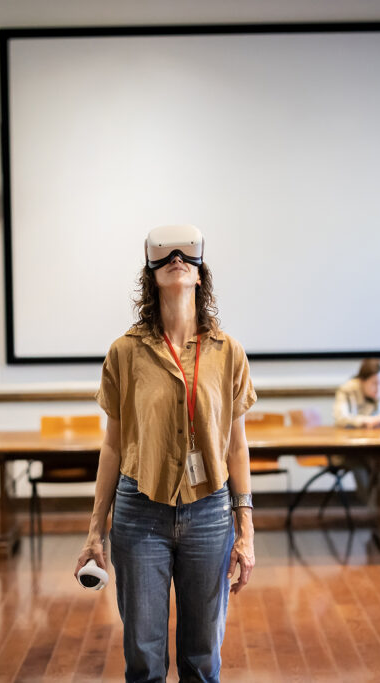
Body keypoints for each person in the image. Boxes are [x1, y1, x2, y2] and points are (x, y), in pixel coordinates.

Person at [74, 224, 257, 683]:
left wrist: (245, 530)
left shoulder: (228, 352)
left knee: (202, 658)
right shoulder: (125, 352)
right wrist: (96, 531)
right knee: (143, 657)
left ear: (200, 275)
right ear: (151, 275)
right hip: (140, 514)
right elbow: (113, 446)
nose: (177, 258)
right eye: (166, 255)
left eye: (188, 255)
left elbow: (236, 445)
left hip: (210, 513)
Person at [332, 359, 380, 505]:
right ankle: (373, 510)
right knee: (361, 466)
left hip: (372, 448)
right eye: (374, 383)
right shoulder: (347, 390)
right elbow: (340, 418)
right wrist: (366, 421)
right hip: (348, 450)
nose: (378, 388)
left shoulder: (379, 393)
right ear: (362, 381)